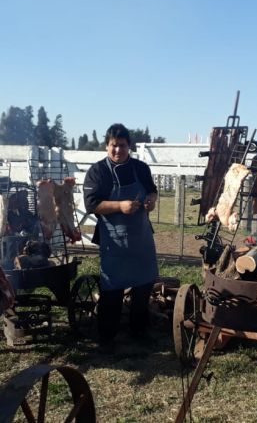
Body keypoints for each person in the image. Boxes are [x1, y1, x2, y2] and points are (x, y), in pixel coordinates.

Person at [83, 124, 158, 351]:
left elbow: (152, 190)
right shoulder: (98, 172)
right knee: (112, 290)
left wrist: (152, 200)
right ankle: (107, 337)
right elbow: (91, 204)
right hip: (113, 241)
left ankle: (139, 331)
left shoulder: (141, 168)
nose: (118, 150)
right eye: (114, 146)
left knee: (144, 286)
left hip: (141, 238)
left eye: (122, 146)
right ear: (107, 146)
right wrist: (119, 206)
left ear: (129, 147)